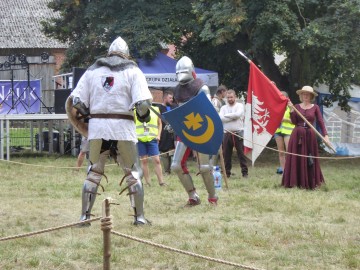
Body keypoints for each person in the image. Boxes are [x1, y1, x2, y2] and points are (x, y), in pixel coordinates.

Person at [67, 36, 153, 225]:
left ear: (109, 52)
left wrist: (88, 114)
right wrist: (144, 116)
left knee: (93, 172)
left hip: (98, 129)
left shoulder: (93, 71)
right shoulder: (133, 70)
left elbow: (76, 101)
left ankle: (85, 217)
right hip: (123, 129)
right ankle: (139, 218)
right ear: (126, 53)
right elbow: (143, 105)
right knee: (133, 173)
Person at [171, 56, 218, 206]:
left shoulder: (201, 87)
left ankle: (213, 197)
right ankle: (193, 196)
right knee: (176, 166)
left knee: (204, 167)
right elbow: (179, 111)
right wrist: (173, 122)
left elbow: (208, 110)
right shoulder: (177, 90)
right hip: (184, 130)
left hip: (201, 129)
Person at [282, 86, 330, 189]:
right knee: (296, 157)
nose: (305, 96)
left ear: (311, 96)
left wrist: (326, 136)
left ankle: (310, 182)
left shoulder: (315, 107)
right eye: (303, 94)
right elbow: (294, 122)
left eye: (307, 94)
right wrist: (291, 110)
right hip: (297, 135)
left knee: (310, 158)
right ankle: (295, 182)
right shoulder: (296, 107)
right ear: (301, 95)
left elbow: (321, 122)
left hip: (310, 136)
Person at [219, 89, 248, 178]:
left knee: (241, 154)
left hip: (238, 133)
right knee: (226, 155)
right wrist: (232, 117)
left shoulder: (239, 106)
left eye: (231, 97)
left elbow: (238, 115)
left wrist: (227, 116)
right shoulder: (223, 108)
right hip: (226, 133)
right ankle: (227, 173)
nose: (230, 99)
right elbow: (221, 118)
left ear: (235, 97)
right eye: (228, 97)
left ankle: (245, 173)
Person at [135, 105, 166, 186]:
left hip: (152, 139)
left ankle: (161, 182)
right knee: (144, 161)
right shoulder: (135, 110)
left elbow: (160, 123)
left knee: (157, 160)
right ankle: (147, 182)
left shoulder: (156, 109)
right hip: (140, 139)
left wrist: (158, 135)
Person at [274, 91, 295, 174]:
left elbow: (295, 121)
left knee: (289, 151)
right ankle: (283, 170)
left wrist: (286, 119)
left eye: (283, 97)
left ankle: (291, 170)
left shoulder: (291, 107)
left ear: (287, 98)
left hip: (288, 131)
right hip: (278, 131)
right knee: (281, 152)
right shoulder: (276, 107)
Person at [158, 91, 176, 174]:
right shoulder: (159, 108)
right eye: (170, 98)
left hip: (173, 134)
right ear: (165, 98)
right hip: (163, 134)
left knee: (173, 151)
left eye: (172, 98)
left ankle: (174, 170)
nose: (172, 100)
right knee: (164, 153)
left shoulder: (173, 107)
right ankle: (166, 171)